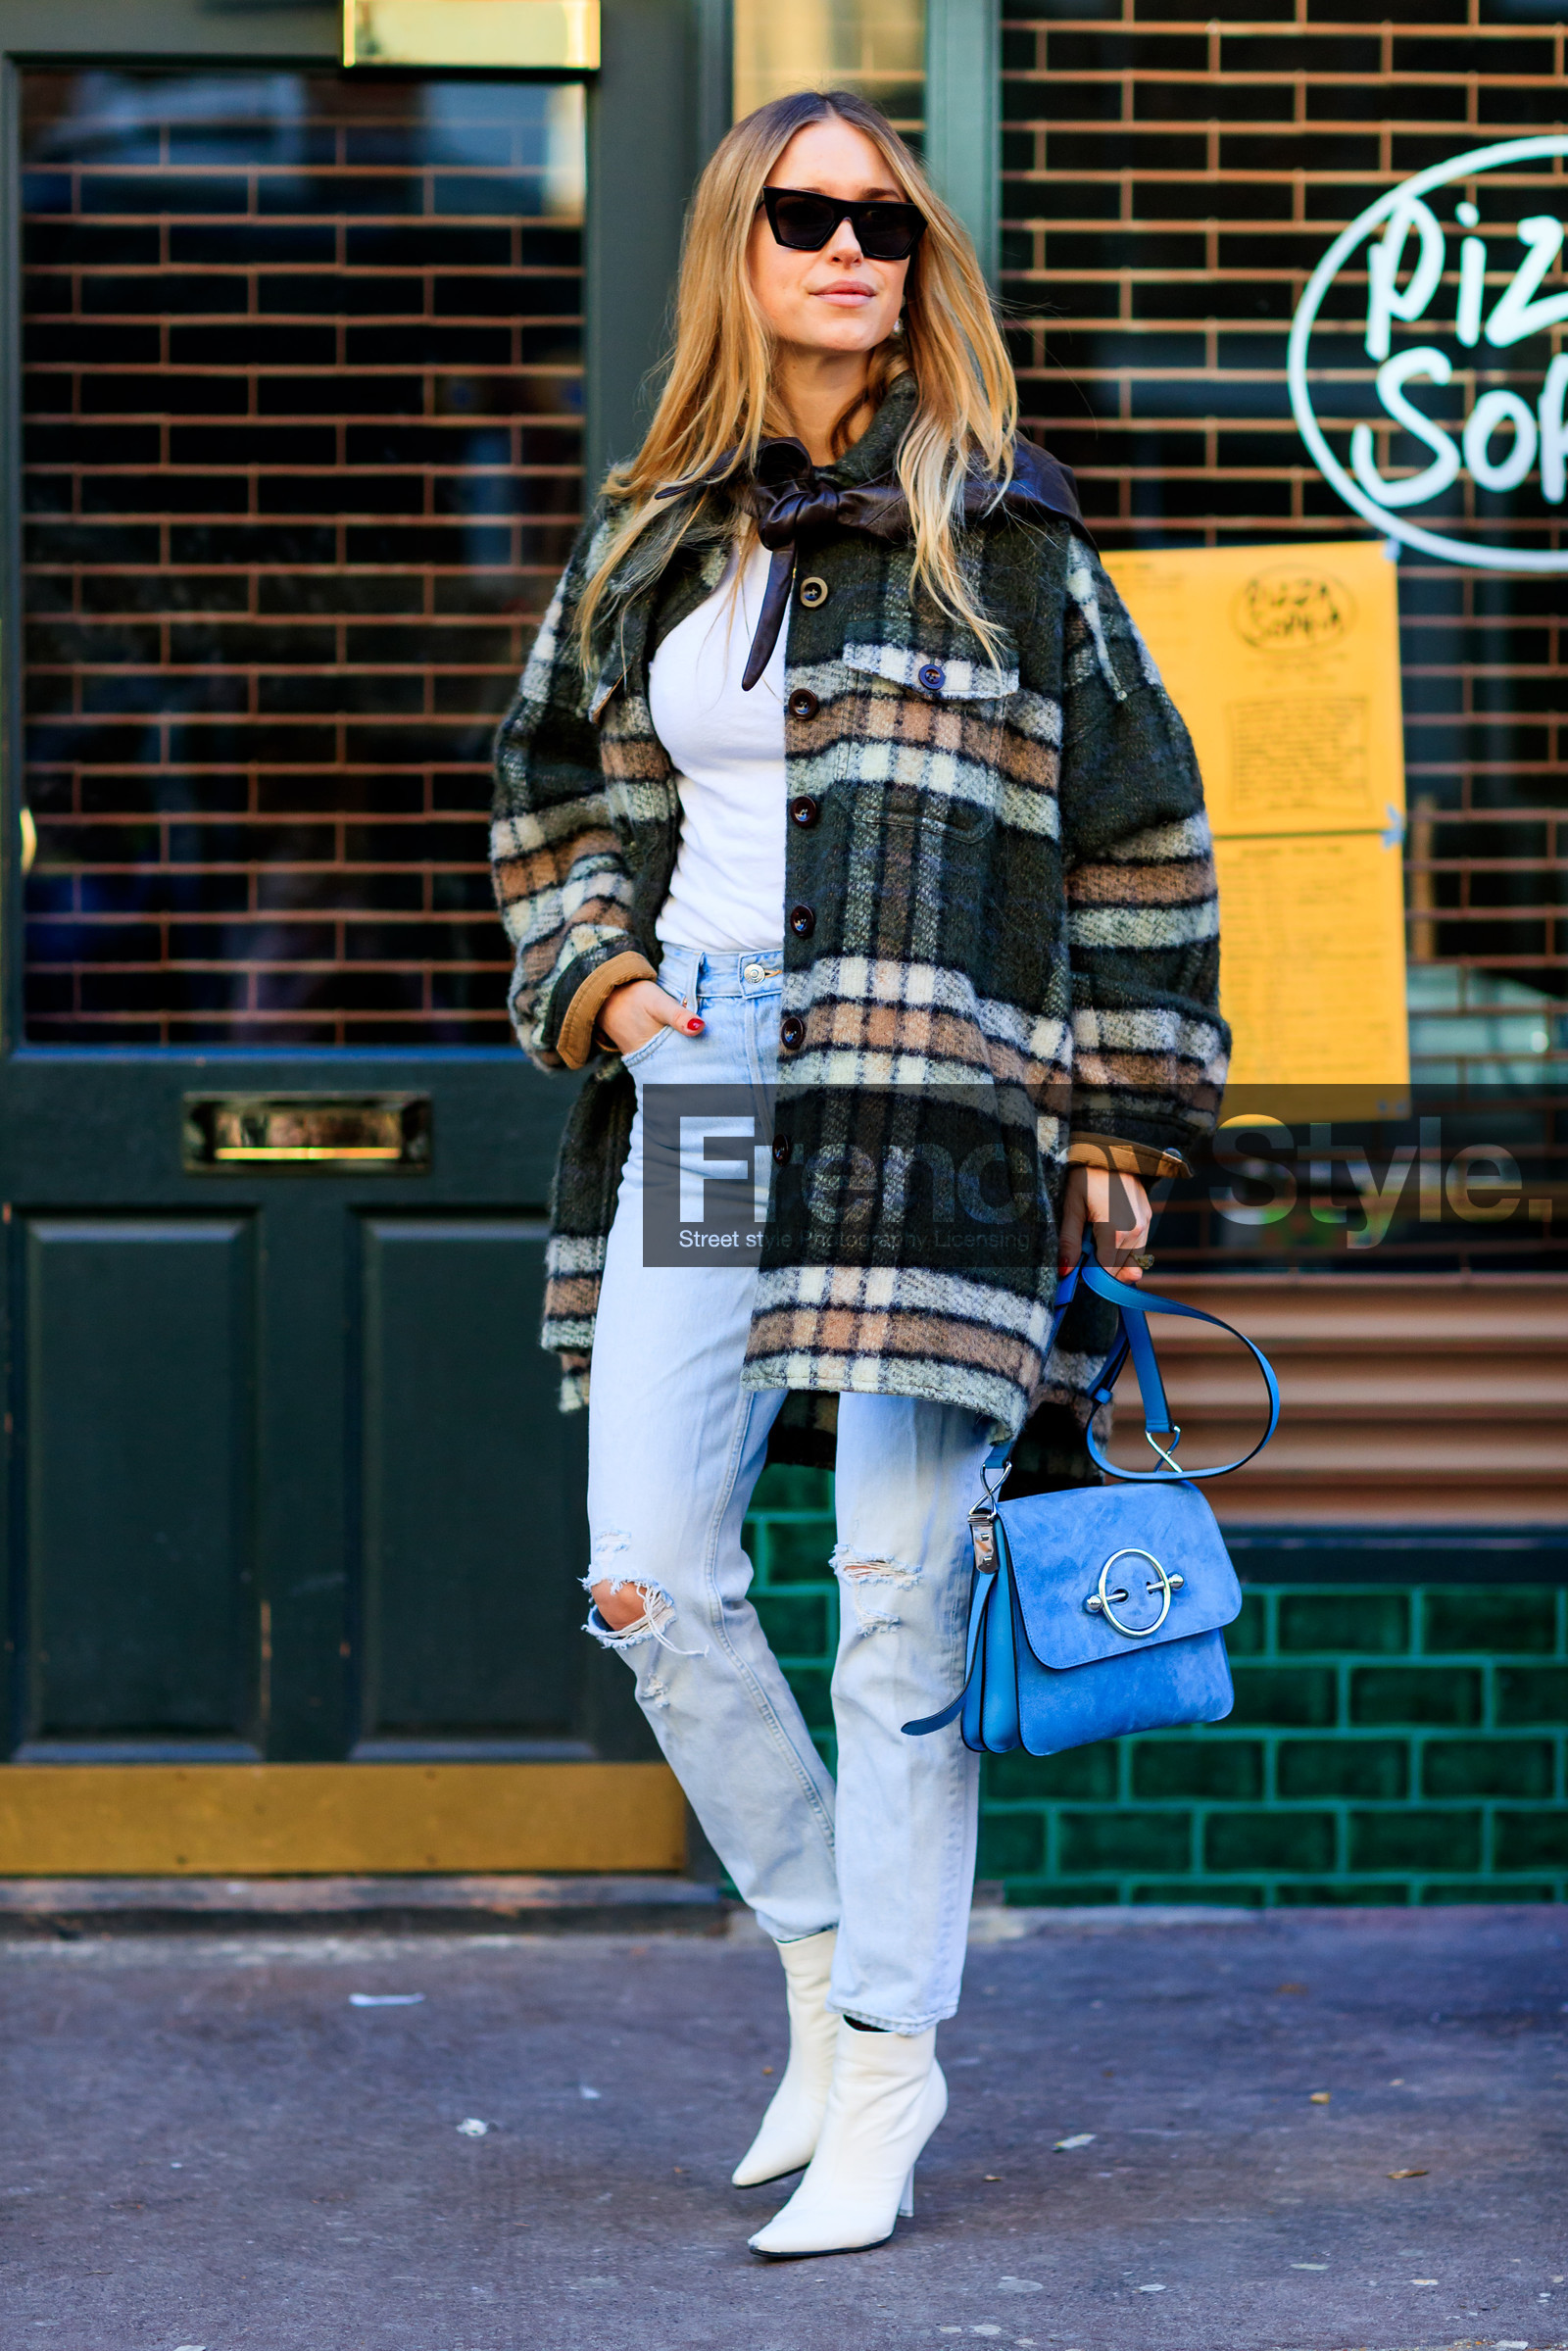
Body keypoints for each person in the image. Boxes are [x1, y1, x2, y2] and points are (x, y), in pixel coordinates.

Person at [491, 87, 1225, 2258]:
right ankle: (819, 1968)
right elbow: (556, 786)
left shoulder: (1003, 532)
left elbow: (1142, 830)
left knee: (900, 1597)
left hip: (926, 1100)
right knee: (649, 1568)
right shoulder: (648, 536)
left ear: (918, 273)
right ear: (738, 247)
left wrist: (1117, 1113)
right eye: (806, 218)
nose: (846, 254)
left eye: (883, 228)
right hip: (709, 1093)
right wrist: (606, 986)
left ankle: (892, 2066)